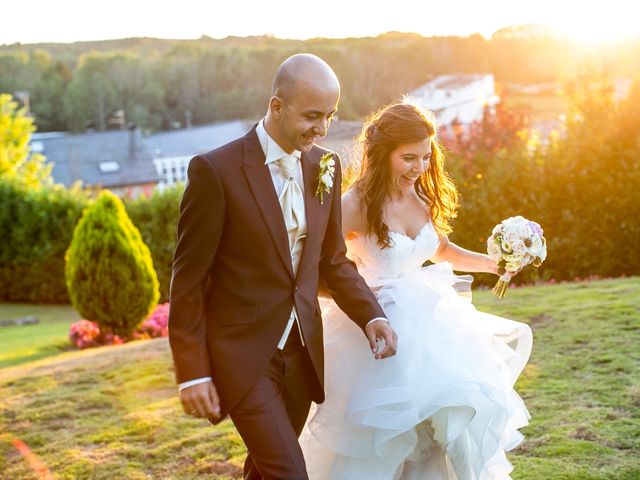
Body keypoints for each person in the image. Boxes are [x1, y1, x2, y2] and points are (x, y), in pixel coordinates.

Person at [168, 53, 398, 480]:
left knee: (266, 471)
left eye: (330, 115)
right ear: (276, 106)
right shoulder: (215, 171)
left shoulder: (326, 165)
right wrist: (192, 372)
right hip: (242, 357)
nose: (322, 128)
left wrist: (372, 315)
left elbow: (332, 261)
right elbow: (188, 281)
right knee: (290, 473)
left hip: (302, 355)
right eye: (312, 115)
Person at [300, 100, 532, 479]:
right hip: (377, 330)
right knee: (387, 437)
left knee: (447, 426)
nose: (420, 168)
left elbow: (439, 249)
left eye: (426, 157)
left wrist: (493, 263)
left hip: (432, 323)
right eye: (409, 158)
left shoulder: (421, 196)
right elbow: (321, 267)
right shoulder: (354, 205)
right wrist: (357, 304)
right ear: (381, 154)